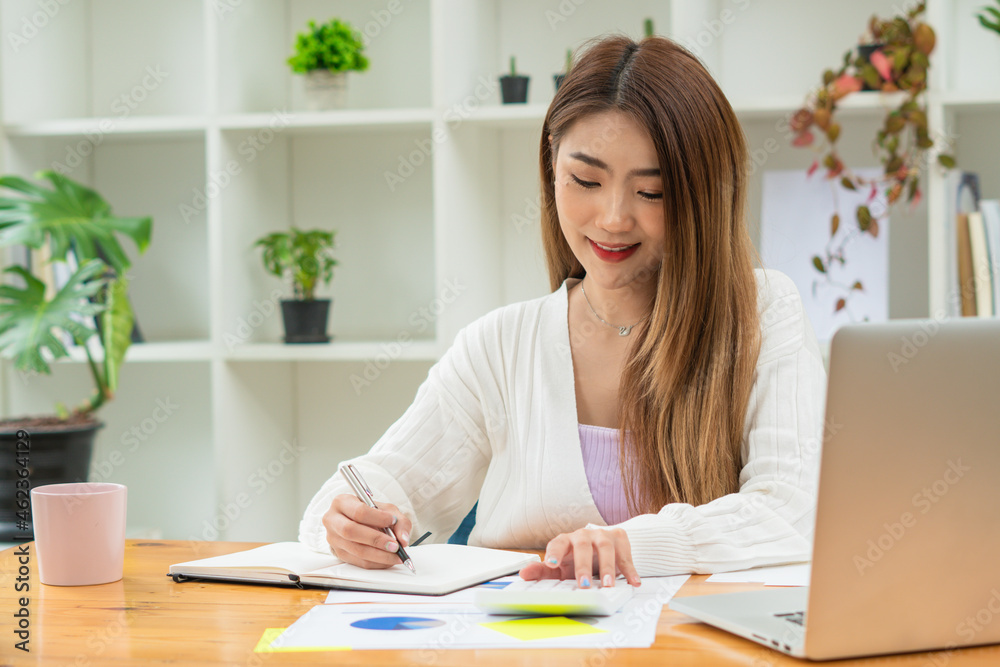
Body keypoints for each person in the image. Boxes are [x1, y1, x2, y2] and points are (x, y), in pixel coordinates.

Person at [299, 34, 826, 590]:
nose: (614, 217)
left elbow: (789, 512)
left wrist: (628, 545)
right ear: (552, 171)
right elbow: (368, 486)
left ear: (704, 196)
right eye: (586, 181)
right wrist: (346, 520)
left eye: (653, 192)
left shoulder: (762, 313)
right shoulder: (500, 346)